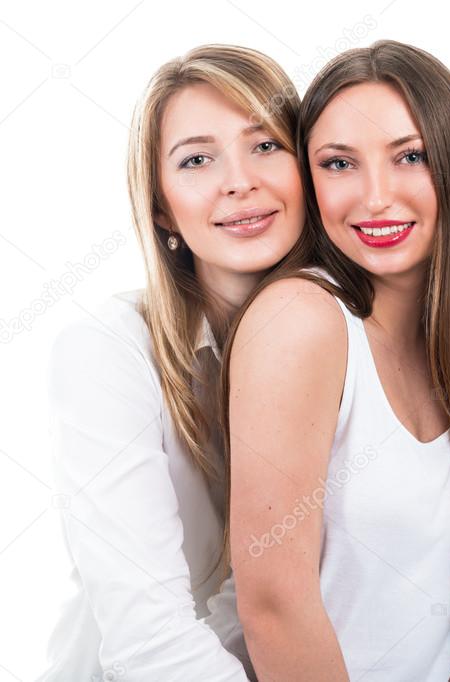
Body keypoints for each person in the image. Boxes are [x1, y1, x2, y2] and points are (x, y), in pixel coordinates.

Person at [223, 40, 450, 681]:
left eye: (410, 156)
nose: (376, 197)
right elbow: (273, 606)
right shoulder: (302, 320)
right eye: (339, 163)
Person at [45, 44, 304, 680]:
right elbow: (149, 641)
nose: (239, 180)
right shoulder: (107, 351)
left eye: (266, 144)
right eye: (196, 159)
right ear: (161, 207)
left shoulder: (346, 343)